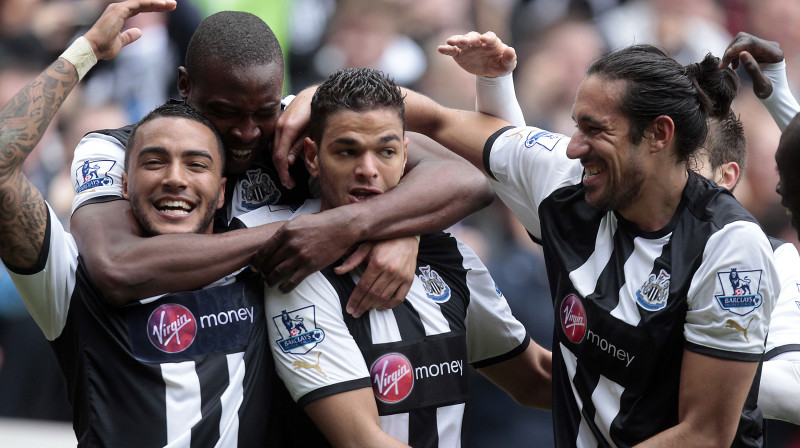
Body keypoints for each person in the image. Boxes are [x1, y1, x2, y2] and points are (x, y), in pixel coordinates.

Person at [354, 33, 779, 447]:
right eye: (577, 127)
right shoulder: (566, 178)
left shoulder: (729, 246)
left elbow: (704, 434)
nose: (574, 147)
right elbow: (441, 120)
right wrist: (319, 104)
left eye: (595, 130)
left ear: (659, 134)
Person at [68, 7, 494, 317]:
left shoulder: (300, 124)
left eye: (263, 111)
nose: (248, 132)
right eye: (227, 112)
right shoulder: (116, 150)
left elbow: (466, 179)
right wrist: (305, 233)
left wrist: (383, 226)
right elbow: (115, 267)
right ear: (184, 85)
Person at [0, 2, 293, 446]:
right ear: (123, 180)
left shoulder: (252, 261)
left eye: (197, 165)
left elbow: (386, 146)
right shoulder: (69, 278)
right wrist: (85, 52)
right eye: (155, 162)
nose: (175, 178)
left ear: (221, 192)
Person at [235, 67, 553, 448]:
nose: (367, 170)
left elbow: (535, 377)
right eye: (347, 151)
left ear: (405, 157)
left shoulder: (446, 254)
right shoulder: (300, 273)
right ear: (312, 157)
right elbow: (362, 441)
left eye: (385, 151)